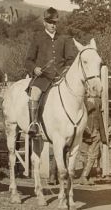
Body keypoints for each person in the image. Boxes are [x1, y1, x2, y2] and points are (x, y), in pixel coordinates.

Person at [25, 7, 77, 136]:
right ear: (44, 23)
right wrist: (34, 69)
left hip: (61, 77)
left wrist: (67, 69)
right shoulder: (38, 38)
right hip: (43, 77)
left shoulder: (64, 39)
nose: (53, 25)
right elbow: (28, 60)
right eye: (50, 22)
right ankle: (34, 124)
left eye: (55, 23)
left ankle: (79, 124)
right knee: (35, 93)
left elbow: (71, 59)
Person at [75, 96, 107, 186]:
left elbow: (100, 118)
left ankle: (85, 176)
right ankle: (84, 176)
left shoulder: (96, 101)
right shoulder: (84, 101)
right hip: (87, 131)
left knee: (91, 154)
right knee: (87, 154)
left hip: (93, 130)